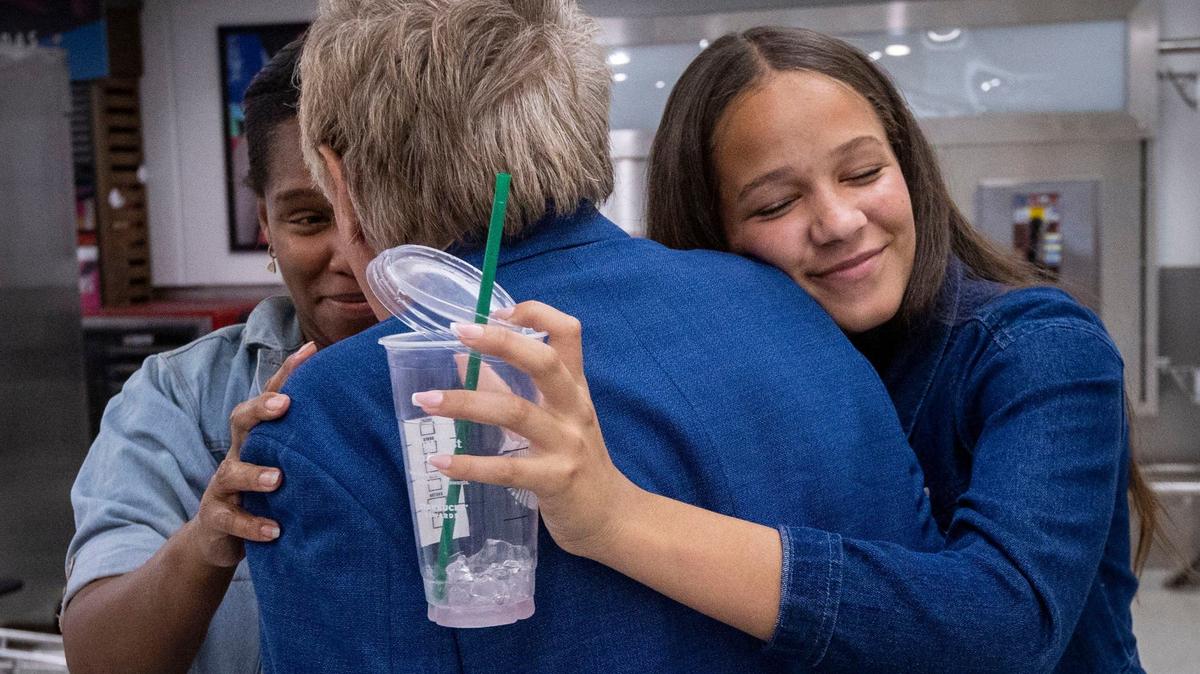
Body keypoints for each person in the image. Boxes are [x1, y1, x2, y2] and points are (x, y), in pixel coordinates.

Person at [239, 1, 942, 671]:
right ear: (580, 122)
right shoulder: (797, 309)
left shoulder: (333, 419)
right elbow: (922, 613)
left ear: (337, 174)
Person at [431, 26, 1160, 673]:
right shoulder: (724, 379)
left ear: (909, 167)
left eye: (863, 172)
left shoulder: (1036, 350)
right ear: (708, 238)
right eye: (776, 204)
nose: (840, 222)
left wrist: (616, 518)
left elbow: (1006, 625)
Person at [60, 40, 376, 674]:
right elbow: (97, 657)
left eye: (377, 215)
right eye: (310, 219)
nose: (349, 255)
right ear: (265, 223)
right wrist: (208, 539)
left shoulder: (492, 382)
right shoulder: (179, 400)